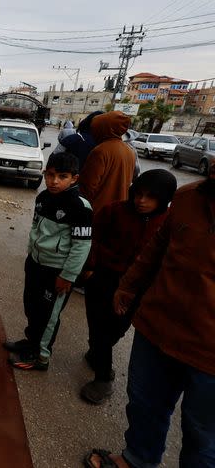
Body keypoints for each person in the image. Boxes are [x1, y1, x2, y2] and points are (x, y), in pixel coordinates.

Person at [86, 158, 215, 468]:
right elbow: (156, 249)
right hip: (157, 328)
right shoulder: (188, 198)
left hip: (209, 353)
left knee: (203, 436)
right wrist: (128, 285)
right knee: (145, 404)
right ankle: (137, 459)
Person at [80, 169, 177, 405]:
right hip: (103, 278)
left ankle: (98, 353)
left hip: (137, 288)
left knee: (116, 329)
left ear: (163, 199)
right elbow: (92, 238)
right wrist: (90, 268)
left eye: (150, 197)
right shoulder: (114, 211)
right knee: (99, 328)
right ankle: (103, 377)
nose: (141, 201)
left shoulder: (168, 223)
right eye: (139, 194)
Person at [4, 152, 93, 371]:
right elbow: (35, 227)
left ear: (74, 178)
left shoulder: (81, 208)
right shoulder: (42, 198)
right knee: (32, 306)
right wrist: (30, 254)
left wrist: (67, 276)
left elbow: (82, 246)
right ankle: (31, 342)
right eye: (50, 175)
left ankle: (40, 356)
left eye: (62, 176)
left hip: (57, 272)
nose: (54, 181)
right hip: (35, 264)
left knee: (48, 314)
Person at [78, 111, 135, 214]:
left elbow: (88, 186)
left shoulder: (101, 151)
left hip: (99, 209)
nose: (93, 132)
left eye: (95, 128)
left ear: (104, 129)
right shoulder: (129, 151)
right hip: (119, 209)